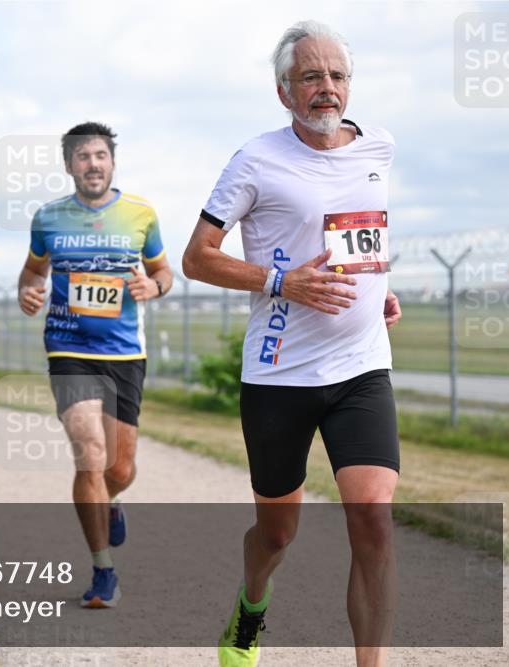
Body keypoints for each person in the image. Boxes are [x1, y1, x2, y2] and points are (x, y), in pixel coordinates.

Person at [181, 21, 403, 667]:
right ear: (284, 91)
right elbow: (199, 257)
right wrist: (282, 281)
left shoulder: (380, 146)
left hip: (361, 368)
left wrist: (378, 288)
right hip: (280, 375)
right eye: (310, 76)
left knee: (373, 514)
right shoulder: (257, 159)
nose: (326, 88)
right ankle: (252, 603)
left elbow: (363, 235)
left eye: (336, 75)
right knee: (278, 532)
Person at [17, 122, 172, 609]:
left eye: (100, 155)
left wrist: (155, 287)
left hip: (125, 353)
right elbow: (31, 272)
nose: (93, 164)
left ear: (112, 161)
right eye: (83, 157)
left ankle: (113, 499)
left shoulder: (141, 214)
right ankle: (103, 570)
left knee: (120, 467)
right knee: (89, 454)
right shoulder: (48, 218)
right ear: (69, 165)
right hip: (68, 346)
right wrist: (27, 291)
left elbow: (163, 271)